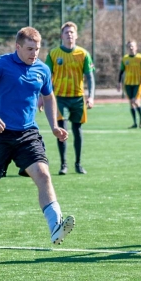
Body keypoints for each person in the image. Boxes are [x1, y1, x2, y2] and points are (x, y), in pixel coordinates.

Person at [0, 27, 75, 245]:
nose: (34, 54)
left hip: (28, 134)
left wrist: (54, 126)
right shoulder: (0, 65)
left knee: (43, 175)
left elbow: (48, 98)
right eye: (30, 49)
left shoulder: (42, 69)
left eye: (37, 49)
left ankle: (55, 226)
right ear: (17, 47)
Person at [46, 22, 95, 175]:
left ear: (76, 35)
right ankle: (63, 165)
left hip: (78, 97)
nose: (69, 35)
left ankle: (78, 164)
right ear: (62, 35)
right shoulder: (53, 54)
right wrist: (43, 97)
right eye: (66, 32)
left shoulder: (83, 54)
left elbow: (90, 77)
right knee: (61, 130)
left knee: (77, 129)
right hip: (59, 97)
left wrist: (91, 96)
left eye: (72, 32)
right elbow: (46, 77)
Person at [118, 40, 141, 128]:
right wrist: (119, 82)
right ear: (127, 48)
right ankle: (135, 123)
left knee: (135, 101)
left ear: (136, 47)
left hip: (138, 83)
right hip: (127, 83)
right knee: (131, 103)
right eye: (129, 46)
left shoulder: (140, 58)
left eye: (132, 46)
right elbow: (121, 71)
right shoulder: (125, 59)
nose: (131, 48)